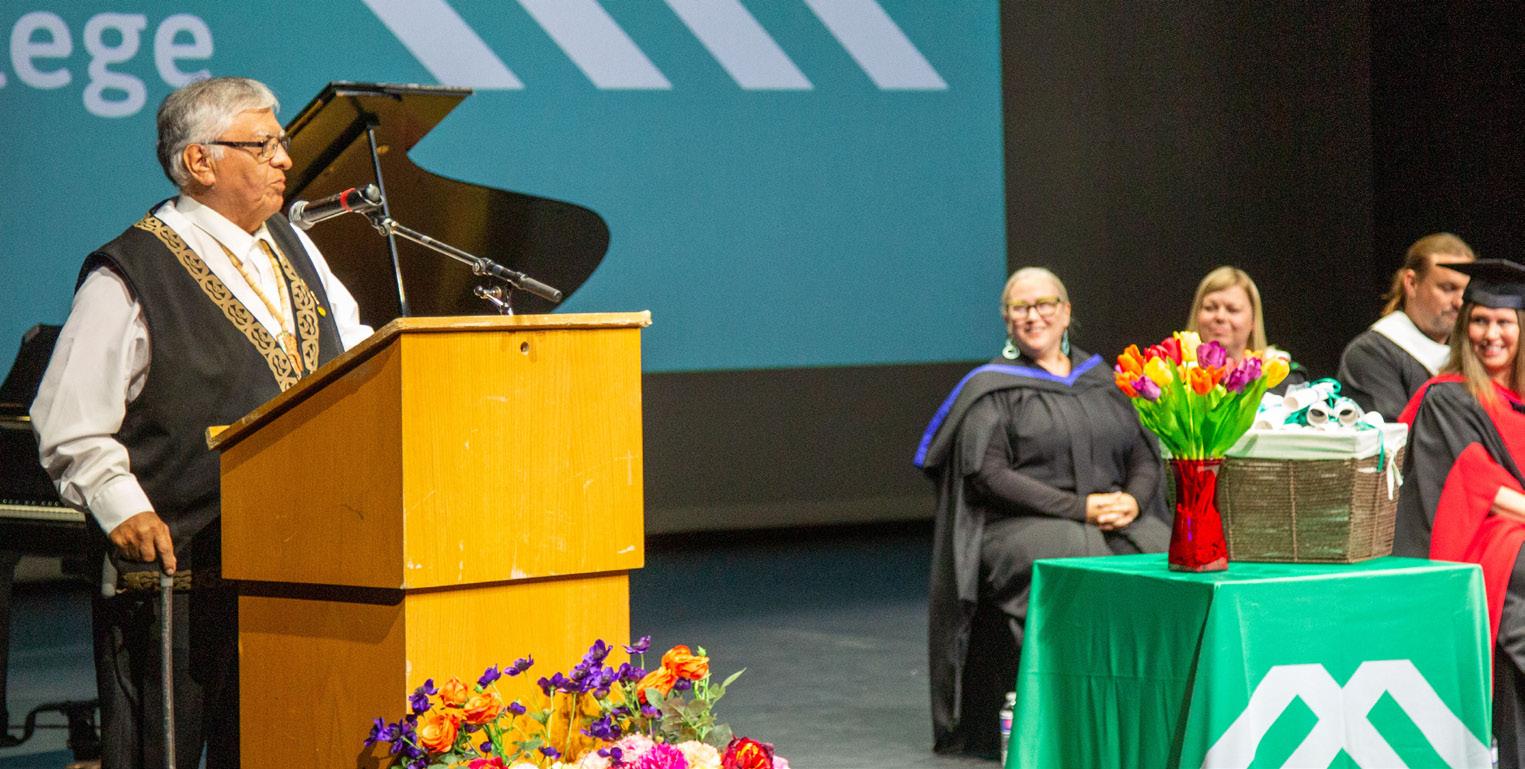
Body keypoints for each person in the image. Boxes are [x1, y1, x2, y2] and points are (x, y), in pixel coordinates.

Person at [30, 77, 372, 769]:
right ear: (200, 161)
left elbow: (359, 351)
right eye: (264, 143)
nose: (285, 158)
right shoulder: (132, 271)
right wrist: (121, 506)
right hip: (179, 578)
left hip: (296, 563)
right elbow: (69, 421)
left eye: (281, 142)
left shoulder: (298, 247)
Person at [914, 267, 1170, 757]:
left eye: (1044, 304)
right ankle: (1073, 719)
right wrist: (1078, 508)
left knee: (1161, 552)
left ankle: (1154, 709)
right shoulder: (992, 388)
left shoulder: (1103, 379)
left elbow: (1143, 451)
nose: (1033, 316)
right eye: (1020, 307)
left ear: (1066, 312)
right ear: (1007, 320)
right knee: (1078, 558)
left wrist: (1134, 500)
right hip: (1018, 524)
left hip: (1113, 513)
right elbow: (988, 474)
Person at [1394, 258, 1525, 767]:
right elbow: (1476, 483)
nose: (1490, 334)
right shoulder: (1447, 398)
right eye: (1479, 320)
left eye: (1503, 322)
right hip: (1483, 551)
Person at [1338, 233, 1475, 420]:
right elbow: (1394, 434)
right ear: (1411, 283)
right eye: (1448, 288)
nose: (1459, 303)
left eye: (1466, 292)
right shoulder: (1371, 354)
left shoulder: (1471, 354)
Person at [1185, 266, 1308, 393]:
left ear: (1253, 320)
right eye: (1210, 308)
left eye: (1233, 309)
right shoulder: (1177, 378)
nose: (1220, 317)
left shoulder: (1282, 379)